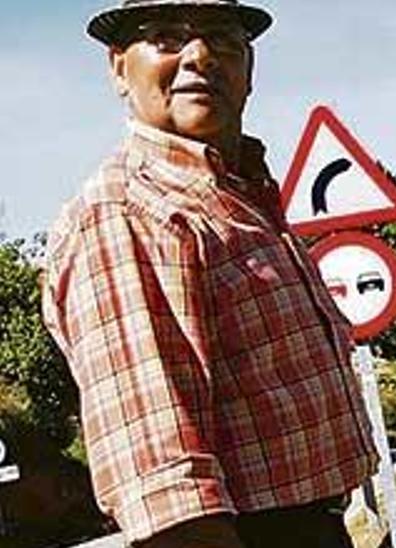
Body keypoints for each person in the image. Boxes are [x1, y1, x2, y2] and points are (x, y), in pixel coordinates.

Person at [40, 1, 377, 546]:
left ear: (249, 68)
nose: (199, 55)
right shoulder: (129, 214)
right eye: (166, 37)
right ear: (119, 66)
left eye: (221, 37)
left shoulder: (236, 197)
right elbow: (173, 505)